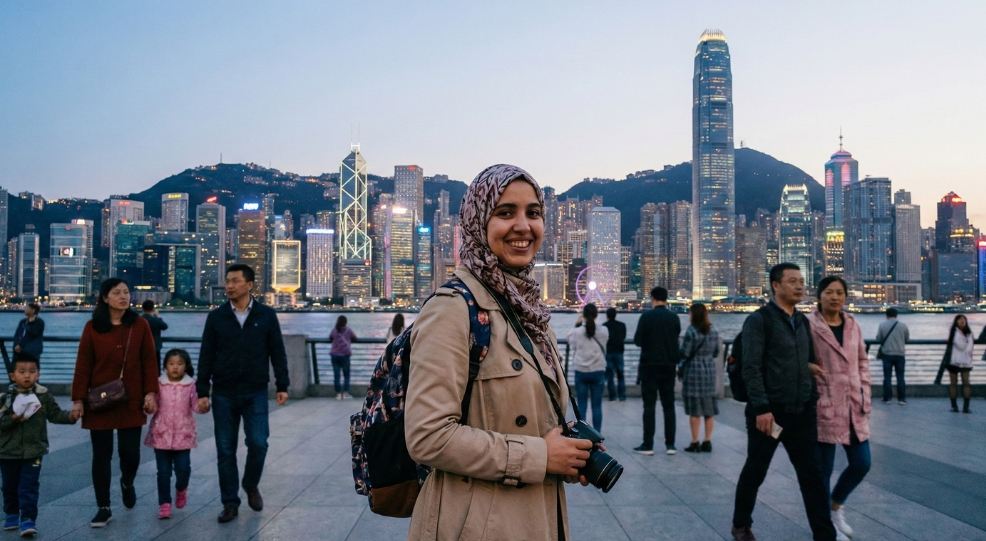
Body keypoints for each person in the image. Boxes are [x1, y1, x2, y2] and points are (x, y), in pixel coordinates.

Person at [405, 164, 592, 541]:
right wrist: (541, 455)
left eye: (533, 213)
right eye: (505, 213)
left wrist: (567, 451)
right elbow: (427, 436)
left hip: (537, 517)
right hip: (477, 525)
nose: (523, 226)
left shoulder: (527, 311)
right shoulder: (453, 308)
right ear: (477, 223)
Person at [731, 263, 838, 541]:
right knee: (756, 469)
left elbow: (805, 359)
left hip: (802, 411)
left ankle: (825, 535)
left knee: (812, 478)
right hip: (771, 413)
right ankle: (741, 525)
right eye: (792, 281)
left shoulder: (801, 321)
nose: (800, 286)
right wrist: (762, 408)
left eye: (801, 281)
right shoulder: (759, 320)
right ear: (776, 286)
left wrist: (809, 372)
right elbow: (751, 367)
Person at [197, 264, 290, 524]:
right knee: (225, 450)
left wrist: (282, 385)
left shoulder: (266, 315)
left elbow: (277, 352)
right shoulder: (216, 318)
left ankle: (250, 484)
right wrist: (202, 390)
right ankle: (230, 503)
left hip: (256, 391)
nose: (229, 286)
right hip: (223, 393)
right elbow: (206, 355)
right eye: (227, 281)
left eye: (235, 281)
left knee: (259, 443)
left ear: (249, 285)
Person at [71, 278, 160, 529]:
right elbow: (83, 365)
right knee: (101, 455)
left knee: (129, 453)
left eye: (126, 292)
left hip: (131, 399)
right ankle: (103, 507)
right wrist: (78, 400)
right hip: (99, 401)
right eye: (117, 292)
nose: (123, 296)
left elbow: (149, 362)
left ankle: (127, 482)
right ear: (105, 298)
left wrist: (150, 393)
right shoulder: (92, 327)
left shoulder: (140, 325)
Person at [809, 276, 872, 540]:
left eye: (839, 293)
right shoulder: (808, 325)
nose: (835, 297)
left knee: (862, 463)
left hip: (853, 405)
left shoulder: (853, 325)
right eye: (829, 292)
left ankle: (836, 504)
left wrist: (864, 392)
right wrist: (806, 366)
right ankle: (826, 526)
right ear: (819, 296)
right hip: (824, 404)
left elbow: (862, 361)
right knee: (822, 471)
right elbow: (797, 355)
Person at [0, 352, 78, 537]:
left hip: (34, 450)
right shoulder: (5, 398)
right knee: (9, 485)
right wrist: (12, 419)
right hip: (7, 452)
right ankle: (11, 513)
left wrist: (71, 417)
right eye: (22, 371)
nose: (27, 375)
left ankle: (28, 518)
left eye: (32, 371)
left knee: (29, 485)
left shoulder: (43, 396)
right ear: (12, 376)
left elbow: (55, 415)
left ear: (39, 374)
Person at [144, 348, 204, 520]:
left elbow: (195, 406)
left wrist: (203, 405)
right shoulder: (158, 384)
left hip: (182, 436)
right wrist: (148, 406)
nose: (175, 367)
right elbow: (153, 406)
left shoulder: (191, 385)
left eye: (179, 364)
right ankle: (164, 503)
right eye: (171, 364)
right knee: (163, 472)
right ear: (165, 366)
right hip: (161, 434)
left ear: (186, 366)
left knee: (183, 469)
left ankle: (181, 489)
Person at [633, 286, 681, 456]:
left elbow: (638, 340)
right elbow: (676, 338)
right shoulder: (674, 317)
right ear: (666, 299)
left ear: (652, 298)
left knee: (649, 406)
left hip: (649, 367)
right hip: (668, 366)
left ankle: (648, 444)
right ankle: (671, 445)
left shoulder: (646, 317)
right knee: (669, 406)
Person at [679, 303, 720, 453]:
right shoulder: (713, 330)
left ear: (693, 314)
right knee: (709, 409)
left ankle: (695, 441)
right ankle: (707, 441)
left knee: (695, 410)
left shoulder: (691, 331)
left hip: (694, 371)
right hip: (709, 370)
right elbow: (716, 351)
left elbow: (685, 352)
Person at [566, 303, 608, 431]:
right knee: (597, 406)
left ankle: (583, 433)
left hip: (581, 371)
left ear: (583, 315)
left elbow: (570, 343)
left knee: (582, 405)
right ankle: (597, 434)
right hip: (598, 370)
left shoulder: (577, 332)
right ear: (596, 315)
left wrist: (576, 325)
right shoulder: (604, 331)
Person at [875, 307, 909, 405]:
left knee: (887, 377)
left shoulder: (882, 325)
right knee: (900, 377)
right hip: (900, 354)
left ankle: (887, 398)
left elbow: (878, 339)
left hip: (887, 354)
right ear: (896, 315)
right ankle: (902, 399)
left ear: (886, 315)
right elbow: (907, 339)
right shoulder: (903, 326)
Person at [944, 315, 975, 413]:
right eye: (960, 320)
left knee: (963, 384)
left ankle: (963, 407)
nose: (962, 321)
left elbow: (964, 346)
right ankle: (957, 406)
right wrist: (966, 343)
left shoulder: (956, 333)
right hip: (957, 361)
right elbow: (964, 346)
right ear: (956, 322)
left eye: (964, 320)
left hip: (962, 361)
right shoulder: (966, 334)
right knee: (958, 384)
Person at [329, 316, 357, 400]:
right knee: (346, 375)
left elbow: (330, 337)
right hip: (345, 355)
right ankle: (345, 393)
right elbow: (355, 337)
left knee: (336, 376)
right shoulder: (348, 330)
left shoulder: (334, 330)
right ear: (346, 322)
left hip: (334, 355)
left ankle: (338, 394)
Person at [602, 307, 627, 402]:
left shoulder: (604, 326)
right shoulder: (622, 325)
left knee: (610, 376)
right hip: (619, 352)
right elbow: (623, 336)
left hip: (608, 352)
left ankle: (612, 396)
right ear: (616, 315)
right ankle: (622, 396)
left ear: (607, 316)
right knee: (621, 375)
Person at [141, 300, 169, 372]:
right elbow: (165, 326)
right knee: (156, 369)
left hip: (141, 349)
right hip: (155, 348)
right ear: (153, 309)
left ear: (143, 309)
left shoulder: (139, 320)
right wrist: (158, 316)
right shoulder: (155, 320)